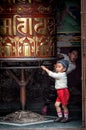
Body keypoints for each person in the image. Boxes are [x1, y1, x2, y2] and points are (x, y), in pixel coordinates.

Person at [41, 47, 79, 115]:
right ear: (69, 54)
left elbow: (62, 71)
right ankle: (46, 106)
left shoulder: (73, 66)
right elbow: (58, 55)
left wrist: (57, 67)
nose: (75, 56)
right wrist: (58, 56)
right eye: (73, 54)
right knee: (50, 94)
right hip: (53, 76)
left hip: (59, 78)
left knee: (59, 95)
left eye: (76, 55)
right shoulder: (64, 56)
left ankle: (62, 111)